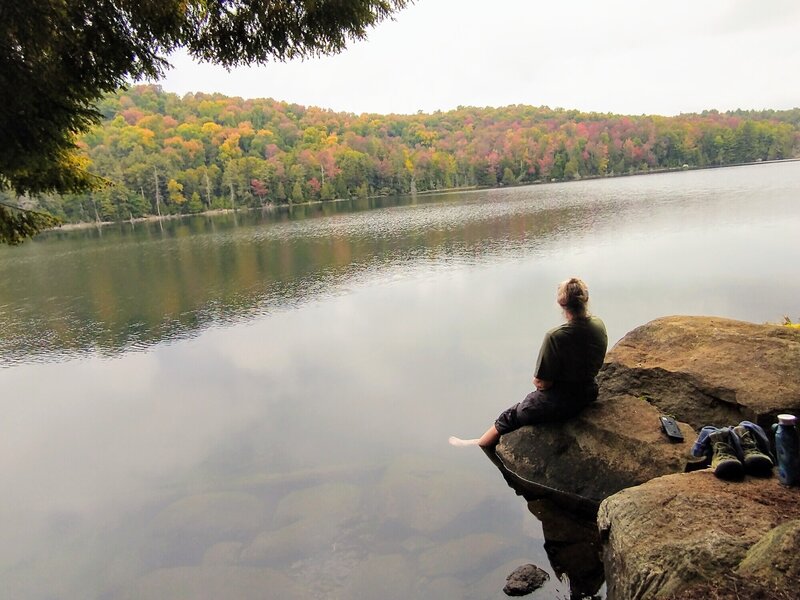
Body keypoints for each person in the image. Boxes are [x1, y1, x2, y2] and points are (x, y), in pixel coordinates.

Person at [449, 277, 608, 448]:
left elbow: (543, 383)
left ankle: (479, 443)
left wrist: (539, 381)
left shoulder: (555, 336)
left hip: (562, 402)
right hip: (589, 392)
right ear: (586, 299)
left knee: (509, 416)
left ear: (561, 304)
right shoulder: (598, 324)